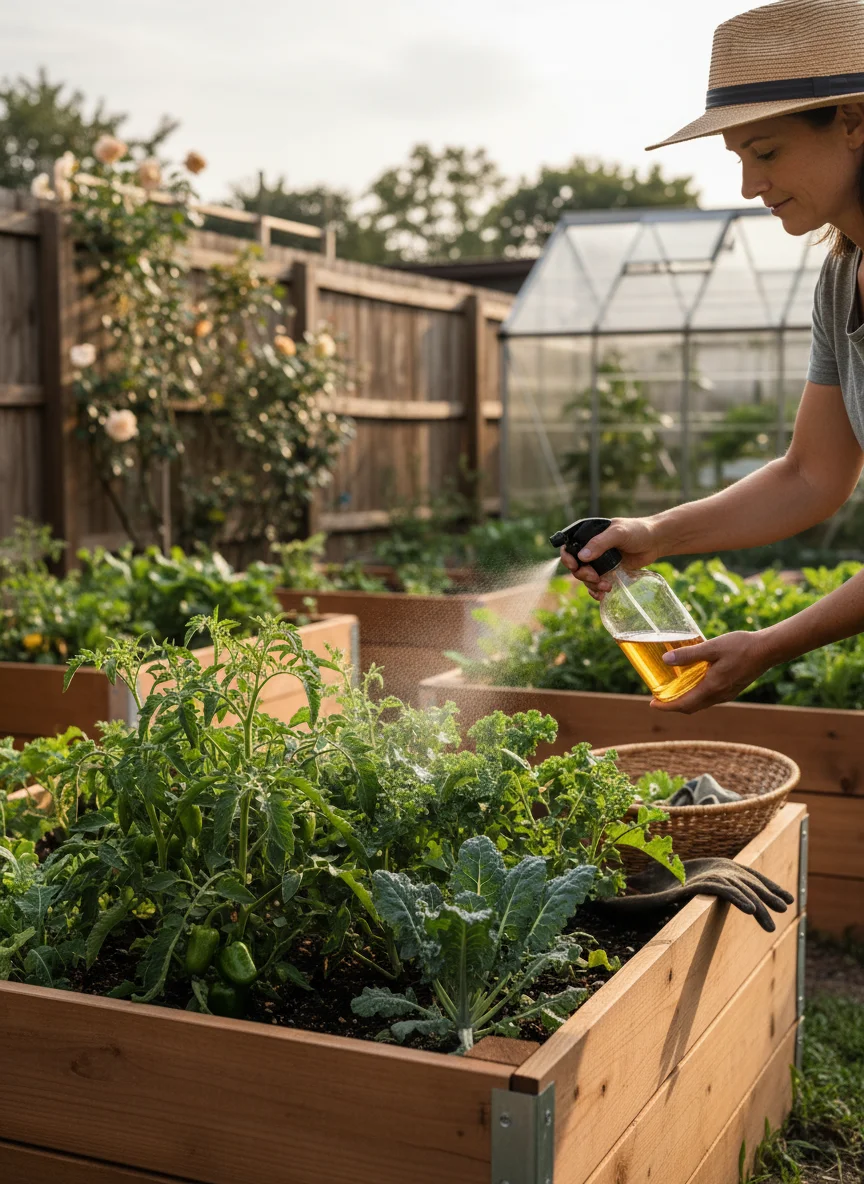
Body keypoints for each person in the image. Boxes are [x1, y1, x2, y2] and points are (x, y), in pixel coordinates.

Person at [562, 0, 864, 714]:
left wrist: (770, 644)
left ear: (853, 123)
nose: (748, 186)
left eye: (766, 152)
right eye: (738, 158)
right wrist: (654, 535)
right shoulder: (838, 281)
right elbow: (811, 473)